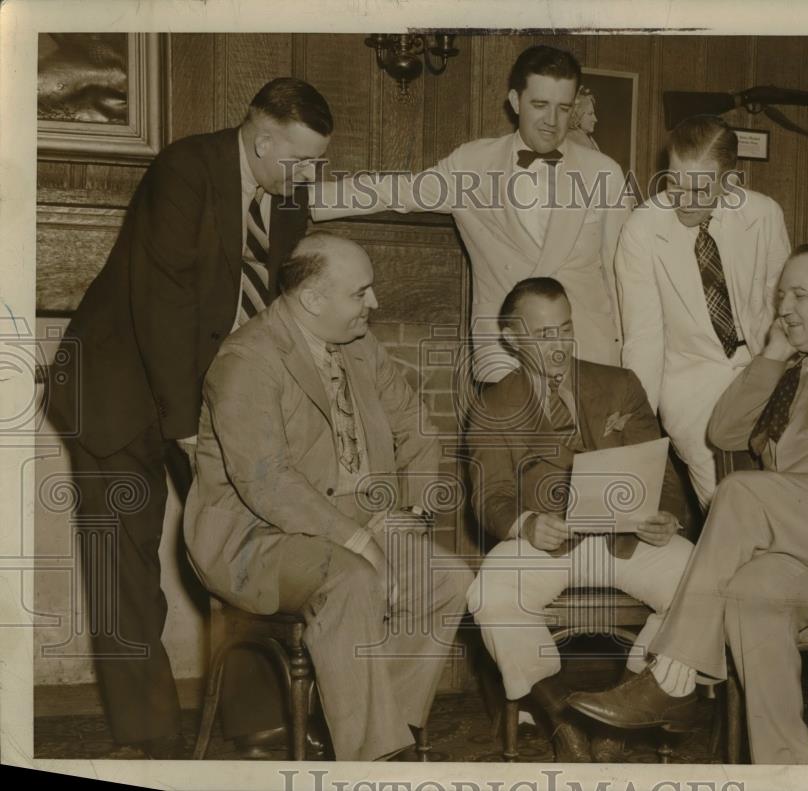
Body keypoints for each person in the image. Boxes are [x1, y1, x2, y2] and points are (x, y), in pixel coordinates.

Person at [566, 245, 808, 764]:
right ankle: (786, 769)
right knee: (750, 591)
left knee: (744, 492)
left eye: (800, 294)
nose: (784, 306)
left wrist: (773, 481)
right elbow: (724, 432)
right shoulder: (794, 371)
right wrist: (770, 358)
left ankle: (672, 677)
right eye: (780, 295)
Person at [46, 77, 333, 758]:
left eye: (318, 163)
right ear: (262, 139)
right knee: (125, 567)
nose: (310, 177)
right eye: (300, 160)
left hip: (197, 389)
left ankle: (256, 720)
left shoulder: (289, 203)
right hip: (114, 391)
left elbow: (280, 317)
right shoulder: (185, 170)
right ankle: (144, 734)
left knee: (243, 548)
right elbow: (164, 308)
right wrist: (190, 429)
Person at [183, 232, 473, 762]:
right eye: (361, 293)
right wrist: (359, 538)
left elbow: (418, 431)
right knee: (352, 579)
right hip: (255, 539)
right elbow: (267, 481)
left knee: (447, 579)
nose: (375, 304)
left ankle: (387, 727)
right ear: (313, 299)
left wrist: (411, 515)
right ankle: (374, 758)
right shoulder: (247, 360)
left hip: (356, 522)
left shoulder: (362, 346)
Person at [465, 277, 694, 761]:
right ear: (511, 337)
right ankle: (560, 718)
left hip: (629, 540)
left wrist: (664, 517)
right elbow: (490, 495)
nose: (559, 344)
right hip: (547, 543)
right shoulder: (491, 405)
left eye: (565, 329)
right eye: (543, 333)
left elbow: (667, 479)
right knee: (489, 594)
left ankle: (622, 720)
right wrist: (526, 525)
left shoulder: (620, 384)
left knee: (700, 581)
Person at [311, 45, 630, 381]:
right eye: (540, 105)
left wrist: (630, 370)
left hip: (589, 357)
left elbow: (621, 277)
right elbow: (398, 191)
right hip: (507, 359)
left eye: (563, 108)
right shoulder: (473, 164)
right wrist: (304, 198)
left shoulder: (604, 173)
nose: (552, 121)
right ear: (514, 101)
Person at [616, 115, 790, 508]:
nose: (683, 198)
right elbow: (643, 336)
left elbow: (782, 307)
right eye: (674, 180)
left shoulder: (764, 215)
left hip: (765, 375)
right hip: (694, 391)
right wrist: (638, 416)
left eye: (699, 187)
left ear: (729, 181)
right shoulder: (642, 228)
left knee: (782, 506)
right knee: (726, 513)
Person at [566, 86, 599, 151]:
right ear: (576, 115)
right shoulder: (576, 139)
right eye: (590, 114)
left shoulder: (587, 138)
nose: (595, 119)